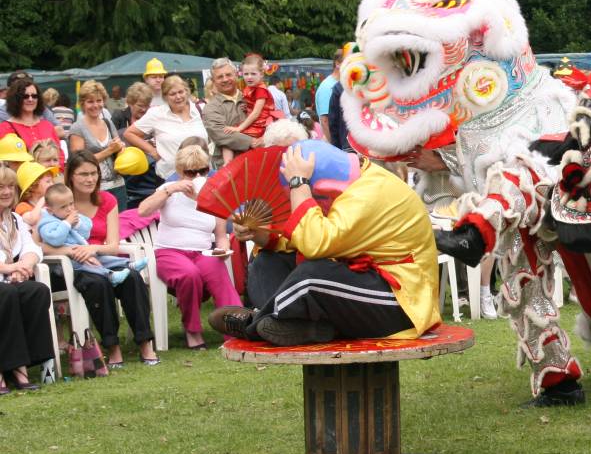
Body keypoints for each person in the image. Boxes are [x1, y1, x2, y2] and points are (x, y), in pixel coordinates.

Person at [209, 141, 441, 347]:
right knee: (267, 262)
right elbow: (304, 238)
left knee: (312, 274)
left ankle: (254, 325)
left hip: (402, 305)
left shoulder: (368, 194)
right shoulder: (350, 183)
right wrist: (260, 235)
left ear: (323, 188)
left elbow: (315, 243)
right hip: (359, 284)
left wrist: (299, 184)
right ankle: (307, 328)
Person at [44, 151, 159, 367]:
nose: (90, 179)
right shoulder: (57, 202)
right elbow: (39, 244)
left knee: (133, 278)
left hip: (104, 258)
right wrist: (71, 251)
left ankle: (145, 342)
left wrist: (93, 250)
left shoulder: (107, 200)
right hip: (75, 265)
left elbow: (114, 246)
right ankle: (112, 346)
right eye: (83, 174)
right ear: (71, 176)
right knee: (98, 284)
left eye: (93, 173)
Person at [137, 144, 240, 349]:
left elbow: (221, 235)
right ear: (179, 172)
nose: (196, 177)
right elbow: (143, 211)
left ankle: (235, 327)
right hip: (169, 250)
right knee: (188, 274)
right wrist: (170, 188)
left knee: (217, 271)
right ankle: (192, 330)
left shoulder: (215, 193)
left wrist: (222, 249)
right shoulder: (168, 191)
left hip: (203, 250)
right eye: (190, 173)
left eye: (202, 171)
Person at [0, 166, 54, 393]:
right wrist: (11, 267)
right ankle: (8, 369)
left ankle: (28, 363)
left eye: (10, 187)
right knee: (8, 294)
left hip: (10, 277)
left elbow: (32, 247)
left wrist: (26, 264)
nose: (6, 191)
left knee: (36, 290)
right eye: (0, 187)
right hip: (4, 279)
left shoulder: (13, 219)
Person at [39, 182, 146, 285]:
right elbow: (56, 240)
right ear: (50, 211)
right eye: (63, 207)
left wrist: (77, 224)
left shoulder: (70, 217)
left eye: (71, 204)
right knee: (90, 266)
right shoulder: (47, 223)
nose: (69, 209)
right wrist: (67, 224)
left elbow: (86, 232)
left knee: (105, 259)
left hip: (83, 252)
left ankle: (128, 264)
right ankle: (110, 275)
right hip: (66, 262)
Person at [124, 76, 209, 179]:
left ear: (187, 92)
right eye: (172, 94)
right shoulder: (157, 114)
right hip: (171, 176)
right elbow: (129, 133)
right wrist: (152, 151)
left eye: (181, 92)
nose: (178, 97)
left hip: (202, 174)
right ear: (165, 97)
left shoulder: (199, 109)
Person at [67, 80, 128, 208]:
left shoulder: (107, 122)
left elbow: (119, 148)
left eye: (99, 101)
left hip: (118, 185)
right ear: (83, 104)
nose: (95, 105)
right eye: (90, 101)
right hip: (93, 188)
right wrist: (109, 151)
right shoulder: (77, 128)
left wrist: (121, 149)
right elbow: (78, 162)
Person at [112, 82, 162, 209]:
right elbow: (114, 141)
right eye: (140, 105)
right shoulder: (119, 117)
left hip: (151, 177)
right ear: (130, 103)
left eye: (147, 105)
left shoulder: (152, 117)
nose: (144, 109)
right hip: (129, 175)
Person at [202, 57, 256, 165]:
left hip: (257, 160)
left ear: (236, 75)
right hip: (229, 169)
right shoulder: (211, 107)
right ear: (213, 81)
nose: (225, 79)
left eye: (228, 75)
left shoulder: (252, 98)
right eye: (220, 77)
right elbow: (220, 134)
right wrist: (253, 142)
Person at [0, 77, 63, 169]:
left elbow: (60, 155)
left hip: (51, 178)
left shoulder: (47, 125)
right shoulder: (5, 128)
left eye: (34, 96)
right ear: (16, 99)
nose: (30, 99)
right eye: (25, 96)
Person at [225, 53, 278, 143]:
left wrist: (239, 128)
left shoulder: (261, 89)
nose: (249, 77)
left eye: (253, 74)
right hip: (253, 122)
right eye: (246, 74)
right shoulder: (250, 88)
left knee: (232, 138)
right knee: (228, 138)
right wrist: (247, 107)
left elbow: (256, 113)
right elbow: (253, 107)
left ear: (261, 74)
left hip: (260, 125)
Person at [314, 48, 343, 142]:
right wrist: (334, 146)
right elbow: (325, 120)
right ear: (337, 64)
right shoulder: (328, 87)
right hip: (335, 144)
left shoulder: (342, 84)